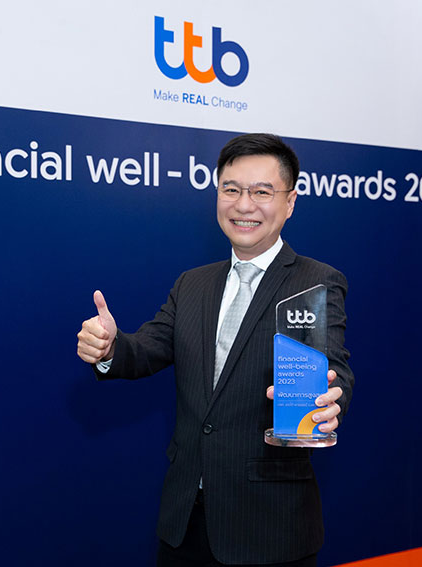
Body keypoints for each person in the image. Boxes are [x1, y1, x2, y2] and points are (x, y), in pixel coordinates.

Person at [77, 133, 354, 567]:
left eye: (262, 192)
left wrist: (331, 401)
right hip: (185, 520)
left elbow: (333, 366)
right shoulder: (193, 283)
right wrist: (110, 347)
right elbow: (147, 348)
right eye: (231, 189)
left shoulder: (315, 281)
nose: (244, 205)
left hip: (270, 526)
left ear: (290, 202)